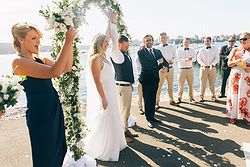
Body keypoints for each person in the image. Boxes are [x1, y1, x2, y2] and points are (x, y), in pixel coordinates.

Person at [11, 22, 77, 167]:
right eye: (34, 38)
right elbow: (53, 72)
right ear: (21, 40)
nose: (38, 41)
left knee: (59, 151)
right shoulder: (18, 62)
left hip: (53, 108)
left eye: (39, 38)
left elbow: (66, 67)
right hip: (40, 114)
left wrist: (70, 42)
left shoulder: (41, 60)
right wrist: (66, 41)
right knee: (46, 157)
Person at [85, 18, 127, 161]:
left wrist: (110, 21)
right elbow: (97, 81)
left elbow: (108, 35)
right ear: (98, 44)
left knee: (113, 116)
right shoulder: (95, 59)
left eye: (108, 43)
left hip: (111, 91)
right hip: (104, 93)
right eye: (105, 43)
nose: (107, 45)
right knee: (105, 118)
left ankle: (116, 142)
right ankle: (104, 146)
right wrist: (103, 97)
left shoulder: (104, 56)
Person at [107, 12, 138, 143]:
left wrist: (131, 83)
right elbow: (113, 39)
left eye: (128, 44)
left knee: (127, 110)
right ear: (119, 44)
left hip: (127, 86)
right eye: (126, 44)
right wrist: (112, 22)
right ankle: (122, 136)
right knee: (123, 111)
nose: (128, 46)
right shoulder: (117, 54)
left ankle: (125, 130)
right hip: (121, 87)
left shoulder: (126, 54)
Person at [137, 34, 169, 128]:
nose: (149, 42)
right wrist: (160, 65)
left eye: (150, 40)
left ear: (153, 41)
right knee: (147, 100)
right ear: (144, 42)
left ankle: (153, 117)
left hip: (155, 79)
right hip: (146, 79)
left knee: (153, 98)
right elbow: (147, 66)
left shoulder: (157, 51)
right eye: (147, 41)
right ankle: (148, 119)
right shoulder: (141, 52)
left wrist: (166, 66)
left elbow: (165, 62)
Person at [226, 32, 250, 125]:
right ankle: (233, 116)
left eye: (245, 39)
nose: (242, 41)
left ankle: (246, 116)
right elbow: (229, 63)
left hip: (247, 75)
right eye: (240, 39)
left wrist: (247, 67)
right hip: (235, 75)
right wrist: (237, 61)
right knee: (234, 95)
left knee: (246, 96)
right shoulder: (235, 50)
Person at [156, 32, 179, 107]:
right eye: (161, 38)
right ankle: (156, 102)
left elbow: (175, 56)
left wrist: (173, 61)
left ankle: (171, 100)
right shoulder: (157, 48)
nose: (163, 39)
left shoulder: (172, 46)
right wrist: (161, 67)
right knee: (159, 86)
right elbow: (156, 60)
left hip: (171, 69)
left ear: (167, 38)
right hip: (162, 70)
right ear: (160, 39)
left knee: (170, 85)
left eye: (164, 37)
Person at [197, 37, 220, 102]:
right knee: (202, 83)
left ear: (210, 41)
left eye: (208, 41)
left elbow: (217, 58)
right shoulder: (201, 49)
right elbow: (199, 59)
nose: (206, 42)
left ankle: (213, 96)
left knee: (212, 83)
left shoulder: (215, 49)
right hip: (203, 68)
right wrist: (202, 64)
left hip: (212, 68)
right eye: (205, 41)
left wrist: (212, 64)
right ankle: (201, 96)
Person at [176, 38, 197, 103]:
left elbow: (195, 59)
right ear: (183, 43)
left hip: (189, 69)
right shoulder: (179, 50)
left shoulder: (192, 50)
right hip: (181, 69)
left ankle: (191, 97)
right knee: (180, 85)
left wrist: (191, 59)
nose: (186, 43)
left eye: (187, 42)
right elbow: (178, 59)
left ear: (189, 43)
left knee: (190, 84)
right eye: (185, 42)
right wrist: (185, 60)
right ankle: (179, 97)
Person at [135, 43, 145, 115]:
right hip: (141, 77)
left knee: (148, 94)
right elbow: (140, 67)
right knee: (140, 94)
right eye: (141, 48)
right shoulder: (137, 58)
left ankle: (148, 108)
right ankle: (140, 108)